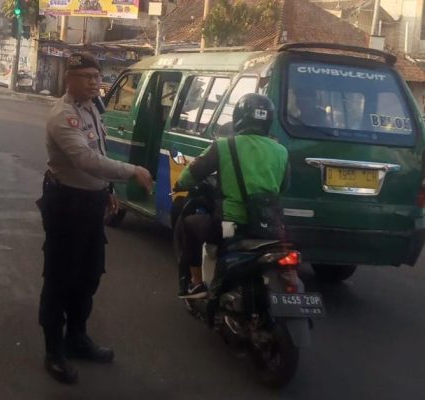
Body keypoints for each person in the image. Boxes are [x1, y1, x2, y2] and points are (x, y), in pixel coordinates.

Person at [38, 52, 154, 384]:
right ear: (68, 78)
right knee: (59, 278)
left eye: (96, 76)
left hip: (90, 203)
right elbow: (86, 160)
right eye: (86, 76)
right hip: (66, 205)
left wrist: (109, 190)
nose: (93, 82)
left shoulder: (92, 107)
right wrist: (132, 171)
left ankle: (77, 338)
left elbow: (100, 151)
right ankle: (53, 351)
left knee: (88, 275)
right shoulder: (63, 116)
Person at [173, 94, 290, 299]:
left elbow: (193, 173)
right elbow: (285, 186)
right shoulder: (281, 151)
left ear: (238, 117)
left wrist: (180, 184)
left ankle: (196, 283)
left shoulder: (224, 146)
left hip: (231, 225)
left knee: (189, 223)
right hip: (271, 227)